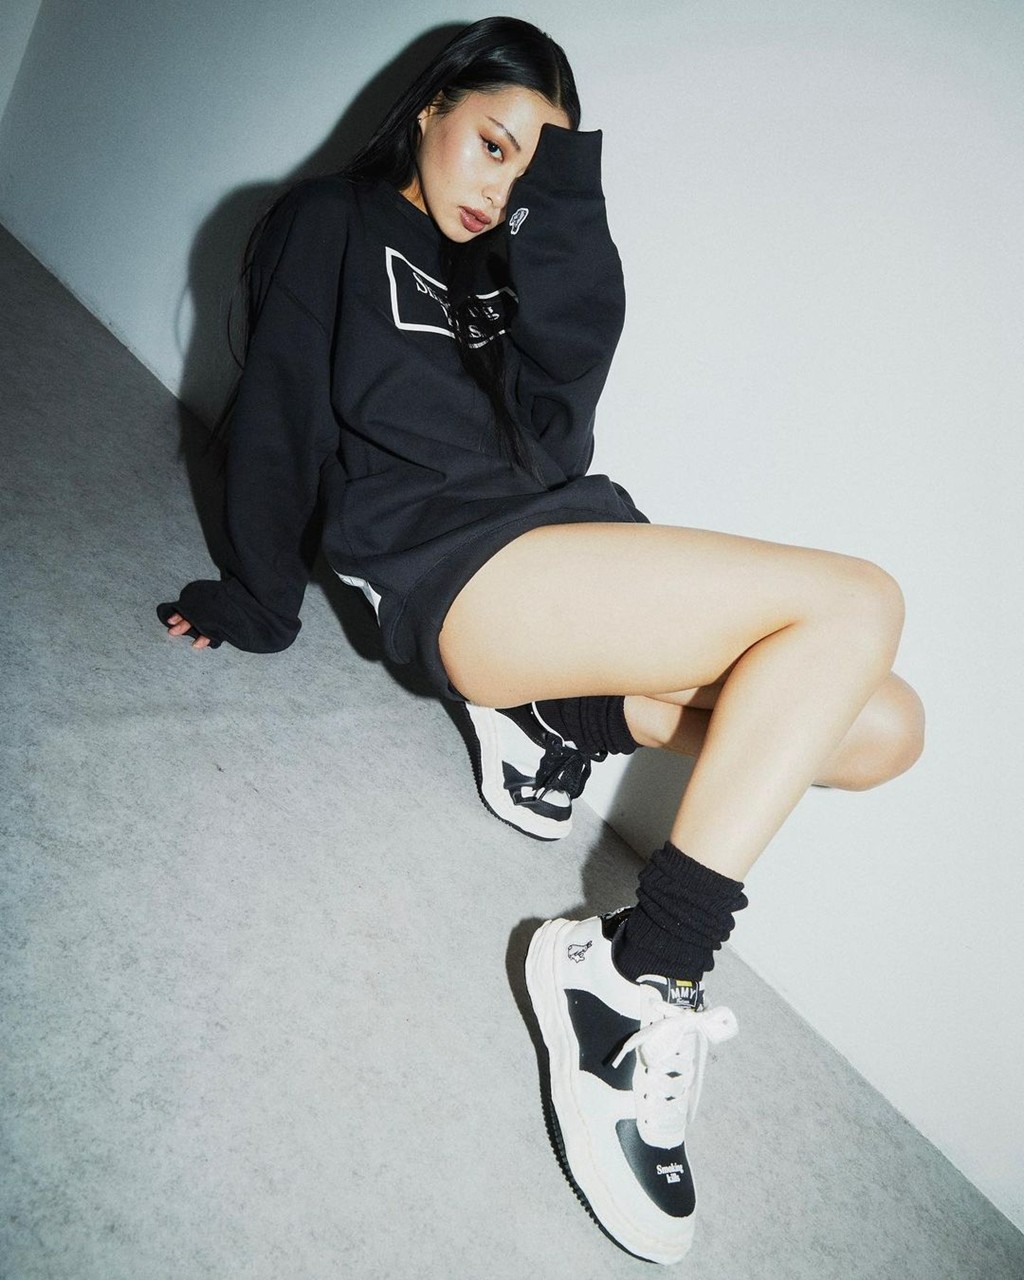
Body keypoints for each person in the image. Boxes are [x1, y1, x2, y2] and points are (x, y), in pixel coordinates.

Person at [158, 16, 925, 1265]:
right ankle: (637, 971)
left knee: (885, 729)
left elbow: (561, 438)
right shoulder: (332, 221)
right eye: (491, 142)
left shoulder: (503, 270)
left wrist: (554, 209)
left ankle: (552, 711)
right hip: (450, 566)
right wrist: (255, 595)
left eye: (532, 166)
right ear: (430, 109)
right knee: (857, 599)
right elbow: (281, 411)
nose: (497, 182)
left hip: (561, 540)